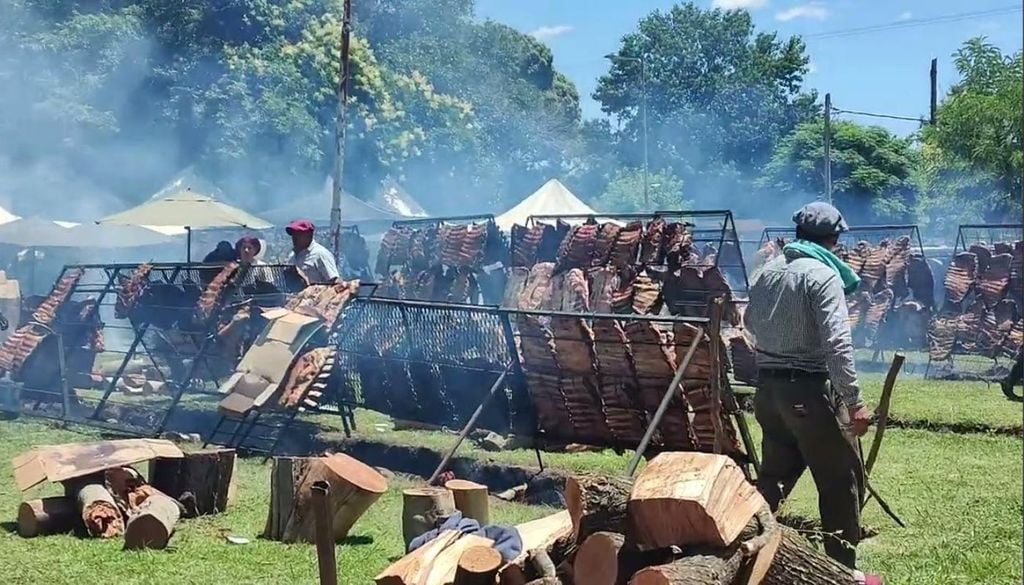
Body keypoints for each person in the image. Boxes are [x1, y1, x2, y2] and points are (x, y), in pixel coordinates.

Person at [745, 201, 872, 572]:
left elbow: (750, 322)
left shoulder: (766, 273)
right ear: (834, 239)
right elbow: (837, 342)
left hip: (768, 392)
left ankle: (739, 552)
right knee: (840, 483)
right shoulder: (822, 275)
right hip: (809, 393)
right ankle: (842, 571)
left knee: (772, 483)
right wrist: (855, 401)